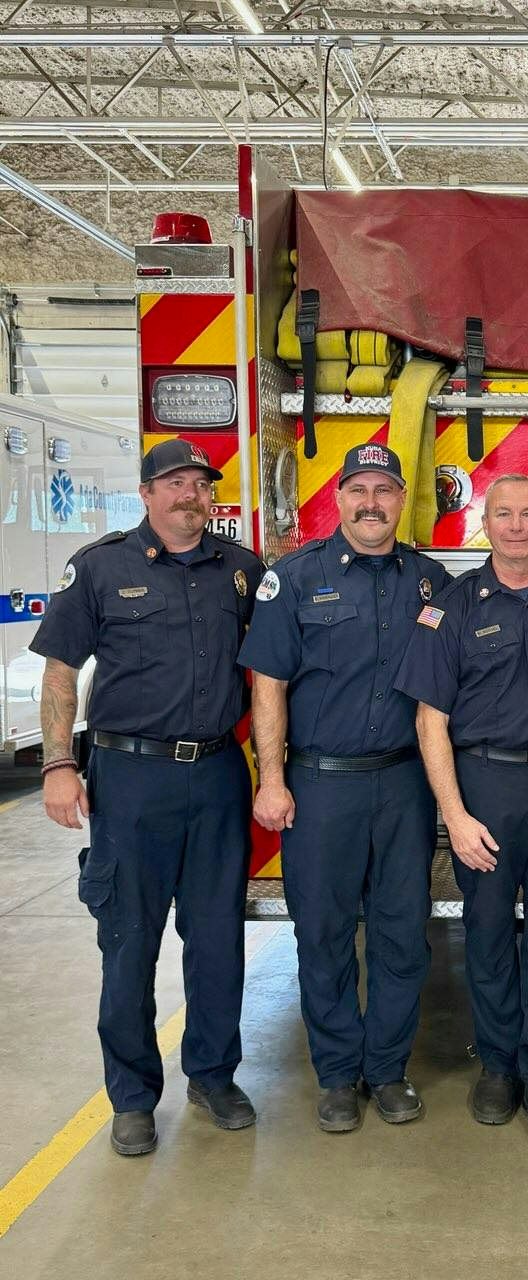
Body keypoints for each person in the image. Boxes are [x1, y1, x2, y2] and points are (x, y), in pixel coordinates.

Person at [31, 438, 264, 1157]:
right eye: (174, 483)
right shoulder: (101, 568)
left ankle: (213, 1075)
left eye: (200, 484)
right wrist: (59, 764)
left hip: (221, 773)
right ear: (146, 493)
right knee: (129, 943)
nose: (189, 494)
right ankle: (132, 1097)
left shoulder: (243, 570)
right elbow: (62, 673)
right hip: (129, 778)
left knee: (219, 939)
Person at [238, 443, 452, 1133]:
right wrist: (270, 779)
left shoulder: (431, 579)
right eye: (358, 488)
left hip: (403, 786)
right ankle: (336, 1074)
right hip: (320, 785)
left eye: (385, 490)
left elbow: (501, 604)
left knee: (401, 936)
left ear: (400, 500)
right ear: (339, 499)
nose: (371, 502)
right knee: (324, 935)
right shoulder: (293, 579)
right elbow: (267, 684)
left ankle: (386, 1071)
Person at [394, 475, 528, 1155]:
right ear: (484, 521)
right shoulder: (449, 611)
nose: (515, 525)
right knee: (486, 937)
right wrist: (455, 813)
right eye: (503, 513)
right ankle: (499, 1068)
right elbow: (430, 721)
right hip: (486, 787)